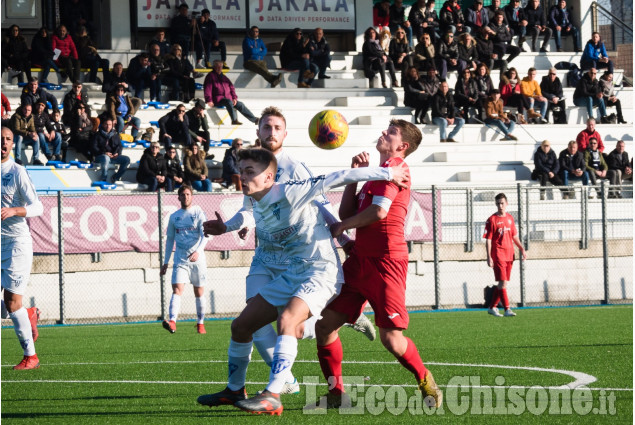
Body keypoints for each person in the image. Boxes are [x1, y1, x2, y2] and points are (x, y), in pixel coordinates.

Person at [197, 146, 409, 415]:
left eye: (250, 171)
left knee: (287, 320)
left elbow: (337, 177)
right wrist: (226, 227)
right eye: (241, 171)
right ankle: (235, 389)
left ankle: (273, 394)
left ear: (269, 177)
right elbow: (247, 215)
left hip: (322, 271)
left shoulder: (290, 191)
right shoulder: (256, 201)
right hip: (294, 272)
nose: (243, 177)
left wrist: (389, 172)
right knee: (241, 326)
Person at [312, 119, 443, 411]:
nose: (384, 133)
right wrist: (355, 177)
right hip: (360, 260)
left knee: (392, 340)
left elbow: (379, 212)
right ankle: (337, 396)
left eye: (391, 132)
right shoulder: (378, 173)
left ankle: (424, 377)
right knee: (324, 326)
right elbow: (348, 210)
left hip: (386, 263)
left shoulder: (398, 169)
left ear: (402, 146)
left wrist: (342, 227)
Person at [1, 126, 44, 370]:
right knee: (11, 306)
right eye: (0, 139)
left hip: (16, 244)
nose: (4, 143)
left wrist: (15, 210)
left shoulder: (17, 172)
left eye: (7, 139)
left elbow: (38, 207)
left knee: (11, 303)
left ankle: (31, 357)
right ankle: (28, 313)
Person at [160, 184, 208, 334]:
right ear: (178, 197)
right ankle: (173, 321)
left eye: (188, 194)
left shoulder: (198, 212)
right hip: (180, 259)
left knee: (199, 291)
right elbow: (169, 241)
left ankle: (200, 323)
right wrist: (166, 261)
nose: (186, 197)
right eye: (183, 194)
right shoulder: (174, 217)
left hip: (197, 260)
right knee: (177, 289)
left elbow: (206, 235)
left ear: (191, 196)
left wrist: (198, 252)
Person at [484, 192, 526, 317]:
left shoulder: (510, 218)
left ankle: (492, 307)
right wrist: (489, 256)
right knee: (502, 282)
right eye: (498, 204)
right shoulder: (492, 220)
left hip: (509, 254)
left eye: (502, 203)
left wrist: (522, 249)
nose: (500, 206)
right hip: (498, 254)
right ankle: (507, 309)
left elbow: (514, 236)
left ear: (506, 203)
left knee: (503, 283)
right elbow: (488, 239)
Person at [204, 60, 258, 126]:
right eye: (217, 66)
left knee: (240, 104)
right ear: (214, 67)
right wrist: (209, 100)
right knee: (228, 102)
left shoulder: (224, 77)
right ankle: (234, 120)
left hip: (228, 98)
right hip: (218, 99)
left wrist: (234, 98)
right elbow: (207, 89)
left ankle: (255, 120)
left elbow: (232, 88)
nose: (219, 68)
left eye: (220, 66)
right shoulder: (210, 76)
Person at [92, 117, 131, 183]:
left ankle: (116, 177)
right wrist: (104, 153)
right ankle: (103, 179)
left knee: (126, 159)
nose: (108, 126)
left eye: (110, 124)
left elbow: (119, 146)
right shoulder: (97, 135)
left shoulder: (115, 134)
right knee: (106, 158)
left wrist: (117, 153)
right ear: (103, 125)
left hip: (113, 157)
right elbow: (94, 147)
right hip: (100, 156)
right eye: (106, 124)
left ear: (112, 125)